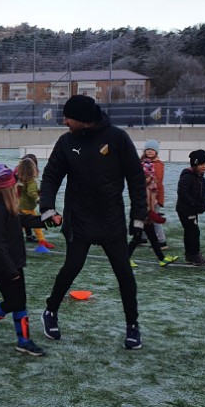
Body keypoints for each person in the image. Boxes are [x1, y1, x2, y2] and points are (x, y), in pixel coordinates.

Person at [38, 94, 148, 350]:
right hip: (79, 218)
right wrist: (47, 208)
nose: (64, 121)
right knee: (72, 266)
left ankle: (132, 325)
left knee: (124, 273)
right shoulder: (66, 142)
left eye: (68, 117)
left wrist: (138, 216)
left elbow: (136, 178)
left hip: (111, 219)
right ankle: (50, 311)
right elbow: (52, 175)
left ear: (84, 119)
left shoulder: (117, 138)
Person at [0, 164, 56, 356]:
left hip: (13, 262)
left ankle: (23, 341)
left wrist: (47, 220)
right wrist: (11, 269)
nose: (17, 186)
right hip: (3, 265)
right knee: (12, 302)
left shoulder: (6, 203)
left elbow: (22, 220)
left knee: (19, 301)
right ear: (7, 186)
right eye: (14, 183)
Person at [127, 158, 179, 268]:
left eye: (148, 176)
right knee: (137, 239)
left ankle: (162, 259)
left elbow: (151, 203)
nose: (146, 178)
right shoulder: (138, 188)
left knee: (153, 238)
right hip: (139, 218)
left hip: (147, 218)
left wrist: (153, 214)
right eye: (144, 176)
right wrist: (150, 214)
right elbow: (138, 205)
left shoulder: (152, 186)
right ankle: (125, 259)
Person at [176, 149, 205, 266]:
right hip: (185, 209)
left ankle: (190, 256)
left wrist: (203, 204)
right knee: (193, 232)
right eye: (201, 164)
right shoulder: (188, 176)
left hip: (192, 209)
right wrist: (193, 203)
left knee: (191, 231)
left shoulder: (201, 178)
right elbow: (182, 192)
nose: (204, 166)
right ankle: (195, 256)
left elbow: (202, 195)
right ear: (195, 165)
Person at [16, 155, 53, 252]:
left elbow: (23, 191)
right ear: (31, 169)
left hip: (23, 206)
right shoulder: (31, 180)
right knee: (36, 224)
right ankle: (42, 242)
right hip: (27, 208)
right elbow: (31, 192)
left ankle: (42, 241)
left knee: (22, 224)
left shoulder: (22, 179)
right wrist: (38, 199)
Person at [141, 139, 168, 248]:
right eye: (147, 149)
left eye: (152, 149)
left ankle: (161, 241)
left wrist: (156, 198)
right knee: (144, 216)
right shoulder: (144, 163)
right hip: (145, 195)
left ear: (156, 151)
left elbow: (158, 181)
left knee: (154, 218)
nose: (149, 151)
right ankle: (142, 238)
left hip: (154, 196)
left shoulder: (157, 165)